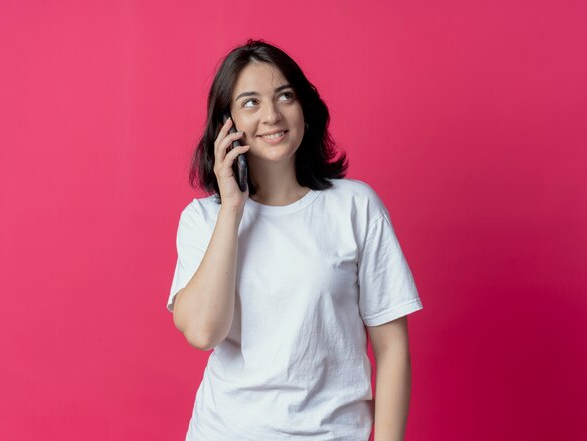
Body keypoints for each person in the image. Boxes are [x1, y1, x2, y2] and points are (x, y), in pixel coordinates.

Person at [167, 39, 423, 441]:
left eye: (284, 96)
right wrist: (233, 208)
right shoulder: (203, 220)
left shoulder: (355, 207)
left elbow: (392, 350)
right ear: (226, 125)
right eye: (250, 102)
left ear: (304, 107)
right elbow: (203, 332)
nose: (271, 115)